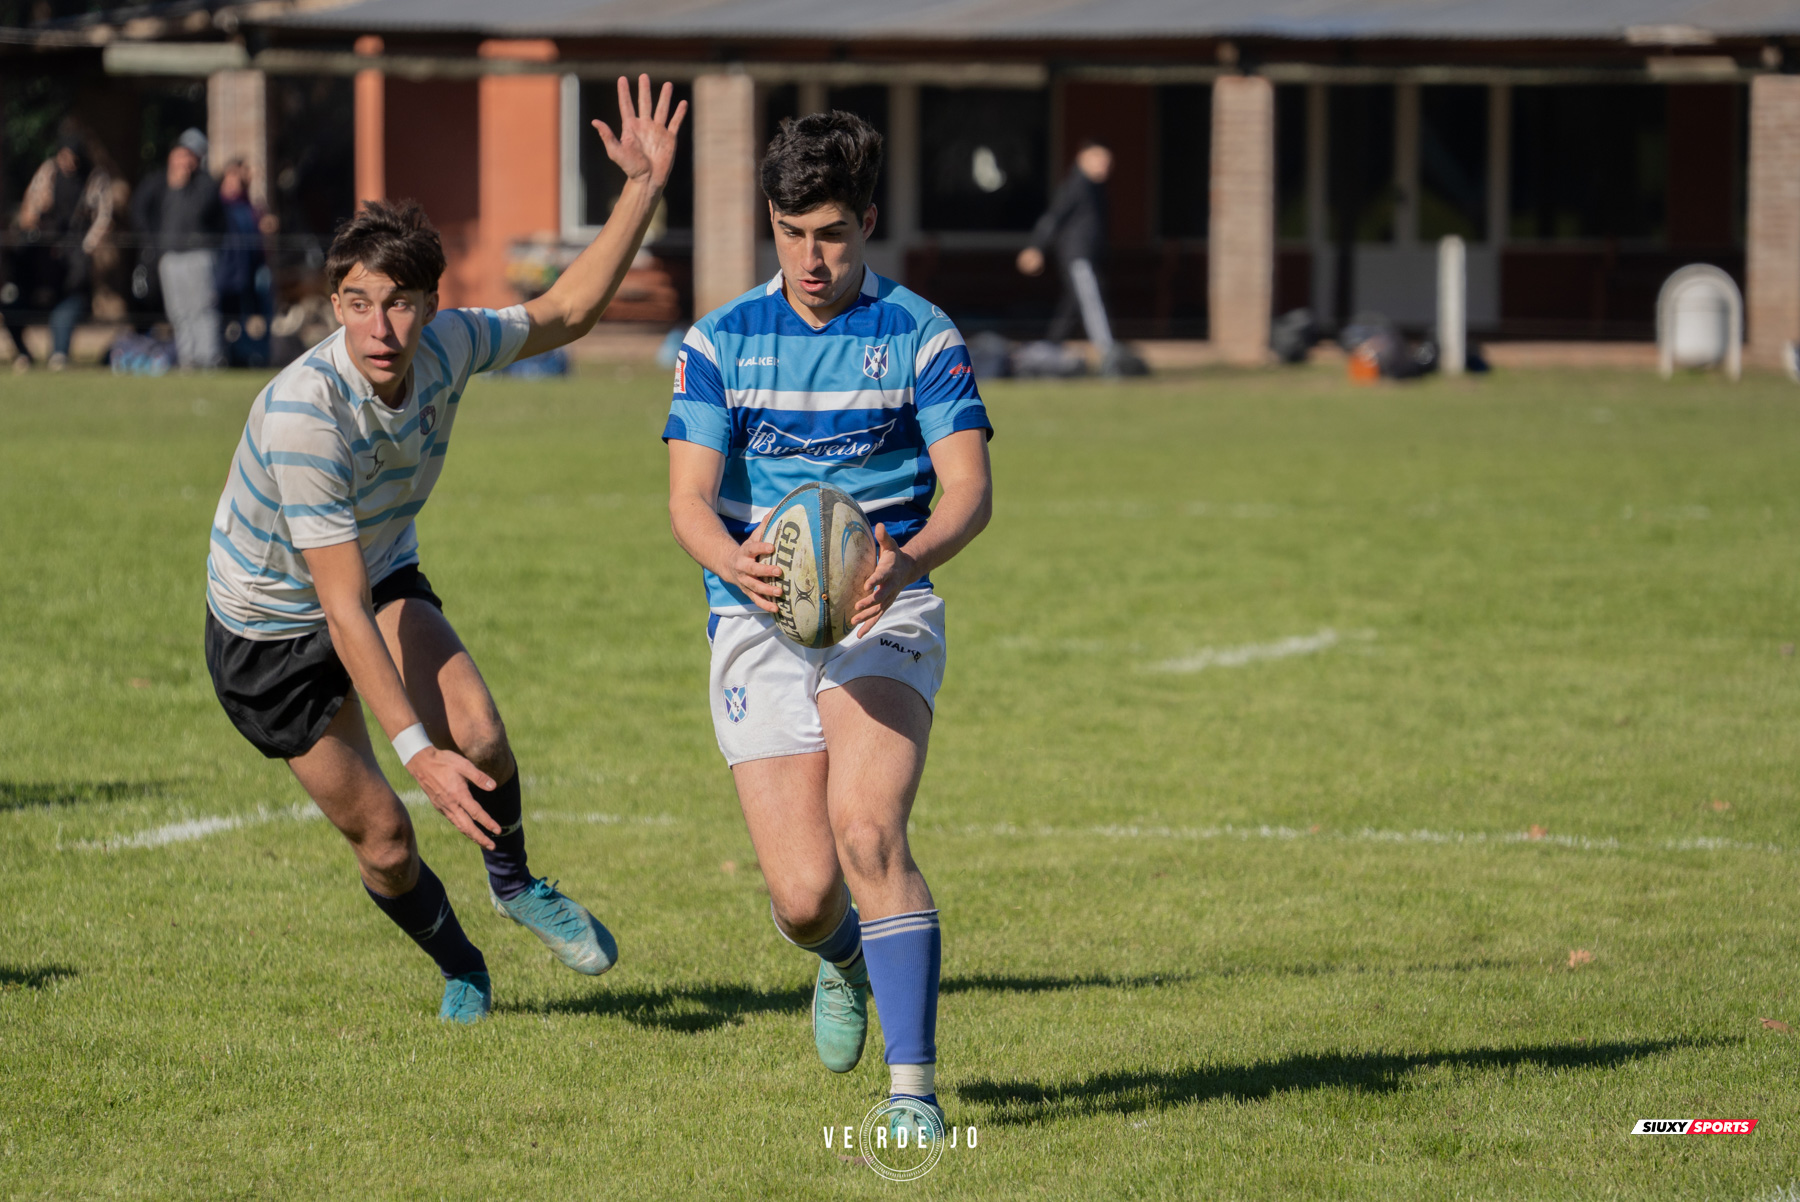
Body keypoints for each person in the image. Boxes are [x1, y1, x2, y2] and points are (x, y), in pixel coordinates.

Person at [202, 77, 686, 1023]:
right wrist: (412, 750)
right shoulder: (306, 415)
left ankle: (514, 883)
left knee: (486, 734)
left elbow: (570, 310)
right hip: (268, 628)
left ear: (433, 302)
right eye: (355, 302)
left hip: (376, 571)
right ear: (335, 301)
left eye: (398, 305)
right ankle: (463, 966)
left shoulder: (452, 346)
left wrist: (640, 188)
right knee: (384, 837)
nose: (377, 330)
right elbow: (336, 612)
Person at [665, 111, 993, 1140]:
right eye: (795, 232)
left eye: (836, 234)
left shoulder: (922, 334)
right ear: (771, 222)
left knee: (867, 826)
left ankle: (913, 1093)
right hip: (756, 617)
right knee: (806, 894)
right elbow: (688, 501)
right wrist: (738, 564)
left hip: (879, 609)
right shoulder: (718, 340)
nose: (815, 258)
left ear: (869, 224)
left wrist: (907, 559)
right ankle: (843, 957)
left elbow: (970, 491)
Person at [4, 135, 113, 372]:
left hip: (74, 255)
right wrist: (34, 221)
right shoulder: (48, 172)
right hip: (42, 251)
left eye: (73, 158)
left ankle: (59, 355)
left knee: (68, 304)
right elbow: (29, 209)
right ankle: (24, 354)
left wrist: (86, 247)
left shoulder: (94, 177)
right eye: (64, 156)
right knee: (11, 303)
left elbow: (104, 217)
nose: (69, 163)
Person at [1016, 141, 1119, 368]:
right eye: (1098, 159)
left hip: (1090, 256)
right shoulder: (1075, 186)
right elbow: (1053, 218)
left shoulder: (1096, 189)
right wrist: (1035, 247)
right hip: (1077, 256)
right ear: (1082, 158)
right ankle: (1109, 352)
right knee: (1091, 299)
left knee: (1073, 303)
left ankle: (1051, 346)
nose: (1104, 166)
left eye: (1107, 162)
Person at [131, 128, 224, 369]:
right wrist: (152, 242)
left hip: (198, 255)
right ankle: (188, 359)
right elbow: (140, 209)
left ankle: (208, 358)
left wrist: (182, 186)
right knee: (178, 312)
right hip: (170, 256)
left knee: (202, 309)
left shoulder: (205, 184)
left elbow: (202, 212)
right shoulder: (159, 182)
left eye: (189, 155)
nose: (182, 160)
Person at [215, 159, 275, 368]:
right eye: (234, 176)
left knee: (258, 316)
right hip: (227, 272)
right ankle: (228, 356)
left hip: (253, 268)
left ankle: (255, 356)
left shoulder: (251, 207)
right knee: (226, 318)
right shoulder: (218, 206)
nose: (238, 181)